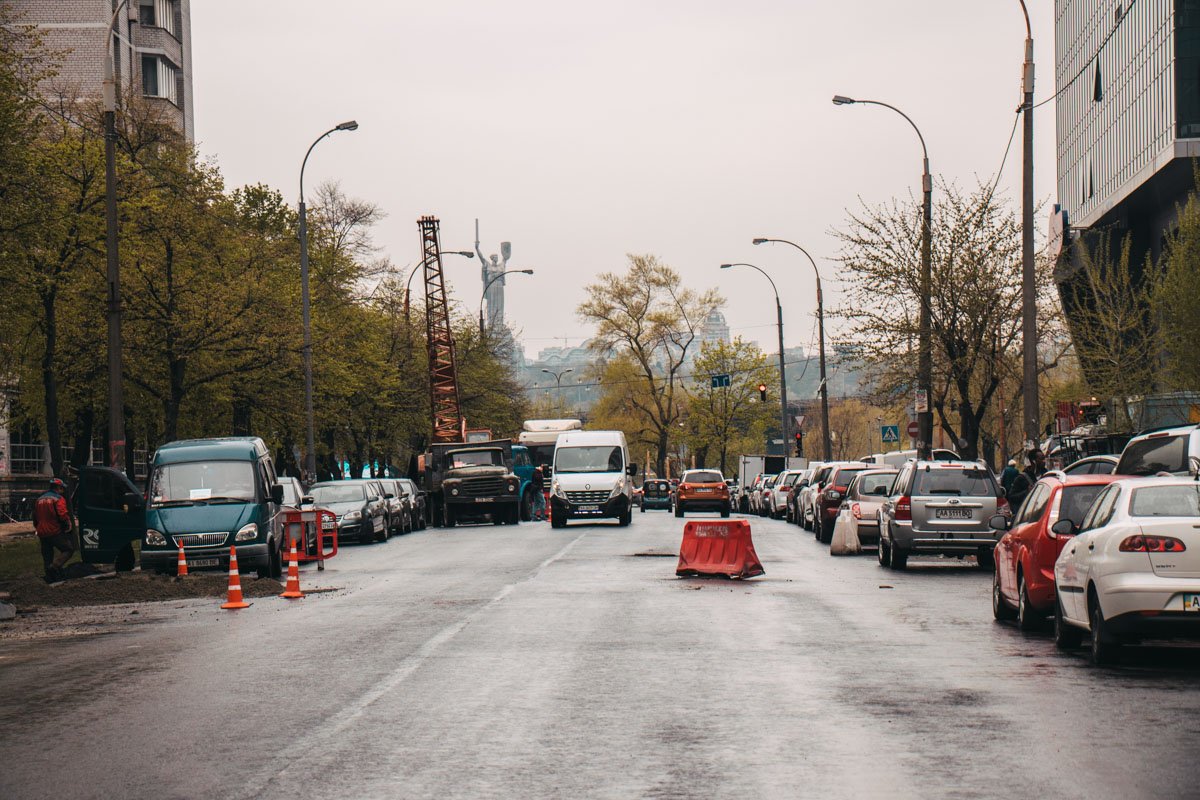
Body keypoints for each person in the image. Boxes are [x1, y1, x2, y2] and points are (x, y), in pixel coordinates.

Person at [33, 478, 75, 584]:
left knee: (47, 554)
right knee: (68, 549)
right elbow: (62, 515)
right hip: (54, 530)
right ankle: (55, 567)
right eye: (62, 488)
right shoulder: (58, 499)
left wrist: (38, 528)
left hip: (42, 532)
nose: (63, 490)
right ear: (58, 488)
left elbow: (35, 517)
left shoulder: (39, 499)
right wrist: (68, 524)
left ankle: (49, 577)